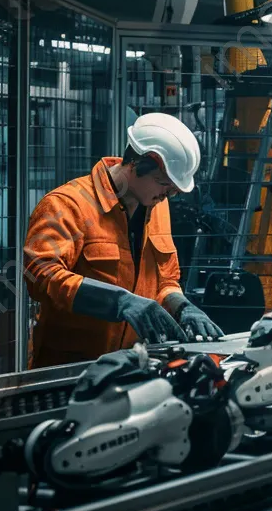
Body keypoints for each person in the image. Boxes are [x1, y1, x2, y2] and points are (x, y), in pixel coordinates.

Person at [23, 112, 223, 370]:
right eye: (164, 183)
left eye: (174, 189)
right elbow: (41, 277)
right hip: (70, 370)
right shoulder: (68, 205)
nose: (169, 195)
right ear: (138, 164)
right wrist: (118, 301)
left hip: (132, 366)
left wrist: (181, 306)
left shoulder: (156, 207)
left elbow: (165, 280)